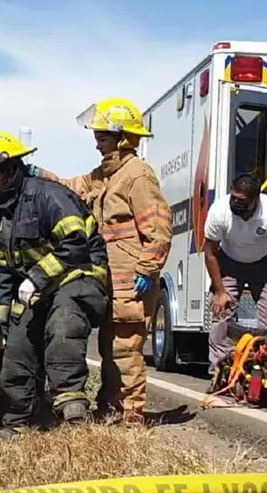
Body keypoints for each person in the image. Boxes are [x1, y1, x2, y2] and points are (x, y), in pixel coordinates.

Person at [28, 96, 173, 425]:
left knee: (124, 351)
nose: (97, 145)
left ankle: (128, 416)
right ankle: (111, 410)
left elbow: (160, 230)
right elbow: (74, 188)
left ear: (123, 138)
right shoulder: (108, 174)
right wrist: (38, 173)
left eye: (102, 138)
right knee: (109, 348)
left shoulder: (138, 176)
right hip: (111, 281)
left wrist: (147, 270)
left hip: (130, 283)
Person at [0, 131, 111, 439]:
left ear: (10, 168)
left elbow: (75, 244)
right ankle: (19, 421)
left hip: (79, 276)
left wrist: (36, 277)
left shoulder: (48, 195)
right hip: (38, 287)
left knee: (62, 323)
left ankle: (72, 411)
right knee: (17, 344)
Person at [203, 173, 267, 385]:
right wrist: (219, 291)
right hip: (229, 262)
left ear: (256, 200)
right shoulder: (219, 211)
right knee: (221, 312)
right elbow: (210, 252)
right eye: (233, 198)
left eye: (242, 201)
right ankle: (220, 372)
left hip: (264, 264)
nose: (236, 203)